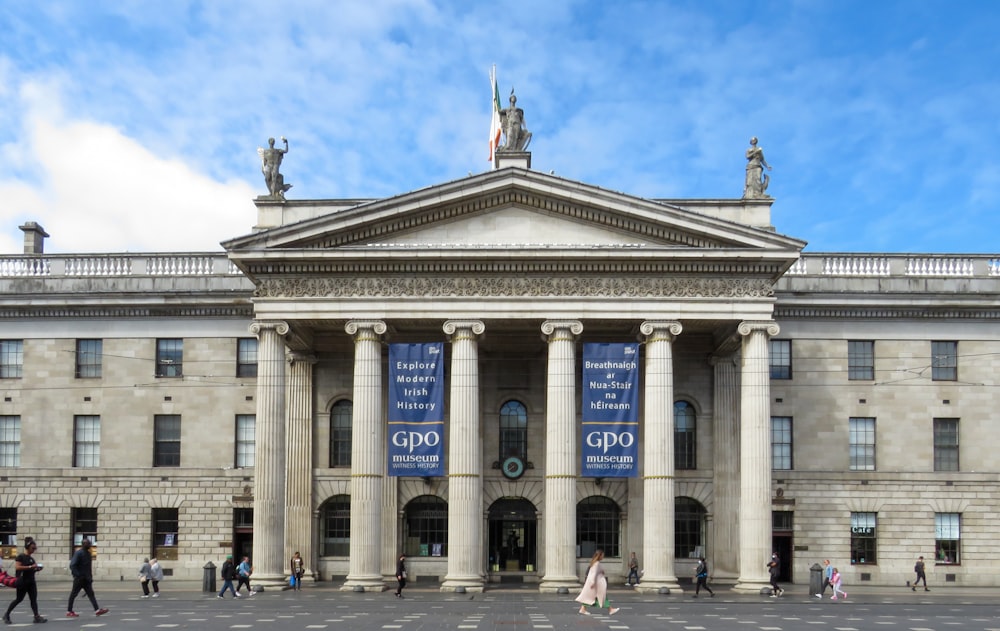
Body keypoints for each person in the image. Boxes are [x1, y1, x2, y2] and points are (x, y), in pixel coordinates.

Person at [3, 536, 46, 624]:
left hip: (31, 582)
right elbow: (17, 567)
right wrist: (30, 567)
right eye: (32, 548)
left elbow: (32, 569)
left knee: (33, 599)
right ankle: (6, 614)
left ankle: (36, 616)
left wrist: (37, 569)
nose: (34, 550)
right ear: (27, 547)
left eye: (35, 548)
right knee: (19, 599)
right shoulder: (21, 556)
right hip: (22, 582)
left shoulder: (31, 558)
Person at [66, 539, 109, 618]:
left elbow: (88, 567)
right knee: (73, 594)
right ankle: (69, 611)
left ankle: (97, 610)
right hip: (79, 579)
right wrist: (78, 575)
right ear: (84, 544)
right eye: (88, 544)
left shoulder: (88, 554)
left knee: (91, 594)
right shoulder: (78, 553)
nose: (90, 545)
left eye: (90, 543)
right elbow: (72, 565)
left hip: (86, 579)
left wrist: (90, 577)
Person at [575, 549, 619, 616]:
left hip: (595, 583)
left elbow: (594, 572)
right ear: (599, 555)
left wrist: (601, 572)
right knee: (600, 596)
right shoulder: (597, 563)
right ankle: (610, 609)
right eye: (602, 555)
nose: (603, 557)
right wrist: (593, 582)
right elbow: (594, 573)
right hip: (596, 583)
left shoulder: (594, 563)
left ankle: (583, 609)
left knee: (591, 597)